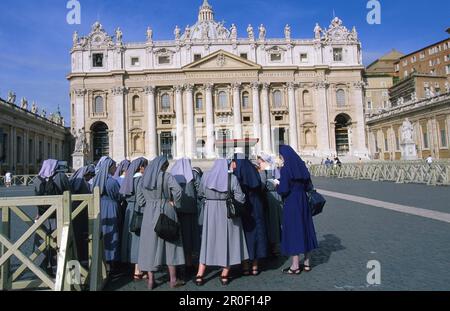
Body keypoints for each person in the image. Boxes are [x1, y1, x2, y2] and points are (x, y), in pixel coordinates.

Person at [195, 159, 248, 287]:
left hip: (210, 212)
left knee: (208, 241)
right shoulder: (232, 178)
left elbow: (200, 193)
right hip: (226, 212)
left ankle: (200, 274)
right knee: (227, 241)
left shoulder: (206, 176)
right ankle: (224, 274)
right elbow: (240, 197)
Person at [137, 156, 185, 289]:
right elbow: (178, 191)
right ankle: (173, 279)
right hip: (165, 208)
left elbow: (140, 199)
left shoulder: (144, 178)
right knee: (171, 243)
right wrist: (175, 202)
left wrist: (148, 204)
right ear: (163, 166)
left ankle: (151, 280)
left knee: (149, 246)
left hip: (148, 213)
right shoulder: (167, 176)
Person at [277, 145, 318, 275]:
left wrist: (277, 185)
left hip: (292, 202)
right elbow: (308, 186)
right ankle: (306, 263)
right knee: (306, 228)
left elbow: (283, 190)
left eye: (281, 156)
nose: (281, 158)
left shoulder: (286, 169)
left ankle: (295, 266)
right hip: (303, 201)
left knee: (293, 230)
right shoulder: (302, 167)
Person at [231, 153, 268, 276]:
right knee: (257, 234)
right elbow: (262, 186)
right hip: (256, 206)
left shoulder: (236, 175)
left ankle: (246, 265)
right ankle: (255, 266)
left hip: (243, 208)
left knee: (244, 235)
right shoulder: (254, 173)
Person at [33, 159, 70, 275]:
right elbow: (69, 192)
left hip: (43, 216)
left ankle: (43, 268)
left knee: (43, 243)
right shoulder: (61, 177)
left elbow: (36, 198)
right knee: (59, 242)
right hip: (58, 215)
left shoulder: (36, 180)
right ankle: (58, 268)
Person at [91, 157, 122, 274]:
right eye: (114, 166)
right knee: (112, 233)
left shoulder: (96, 180)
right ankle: (111, 261)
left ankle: (101, 259)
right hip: (111, 207)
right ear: (110, 168)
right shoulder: (112, 182)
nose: (116, 168)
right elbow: (119, 196)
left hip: (99, 207)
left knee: (102, 233)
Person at [119, 157, 148, 280]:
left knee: (131, 238)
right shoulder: (141, 180)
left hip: (129, 209)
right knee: (139, 239)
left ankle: (134, 266)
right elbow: (142, 198)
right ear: (141, 167)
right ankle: (138, 269)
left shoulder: (129, 179)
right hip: (139, 210)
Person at [171, 158, 201, 275]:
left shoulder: (173, 175)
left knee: (178, 237)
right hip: (191, 210)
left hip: (177, 210)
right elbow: (200, 189)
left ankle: (178, 264)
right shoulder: (193, 174)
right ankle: (189, 263)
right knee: (189, 237)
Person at [69, 164, 96, 264]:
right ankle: (81, 257)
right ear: (86, 174)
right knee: (81, 235)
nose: (91, 178)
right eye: (90, 175)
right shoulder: (83, 183)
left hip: (75, 210)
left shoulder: (74, 181)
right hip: (81, 212)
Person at [257, 154, 283, 257]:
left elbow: (264, 184)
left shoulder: (267, 170)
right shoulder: (273, 169)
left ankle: (273, 245)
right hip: (273, 196)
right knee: (273, 221)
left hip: (270, 197)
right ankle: (274, 244)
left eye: (260, 162)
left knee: (272, 221)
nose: (259, 164)